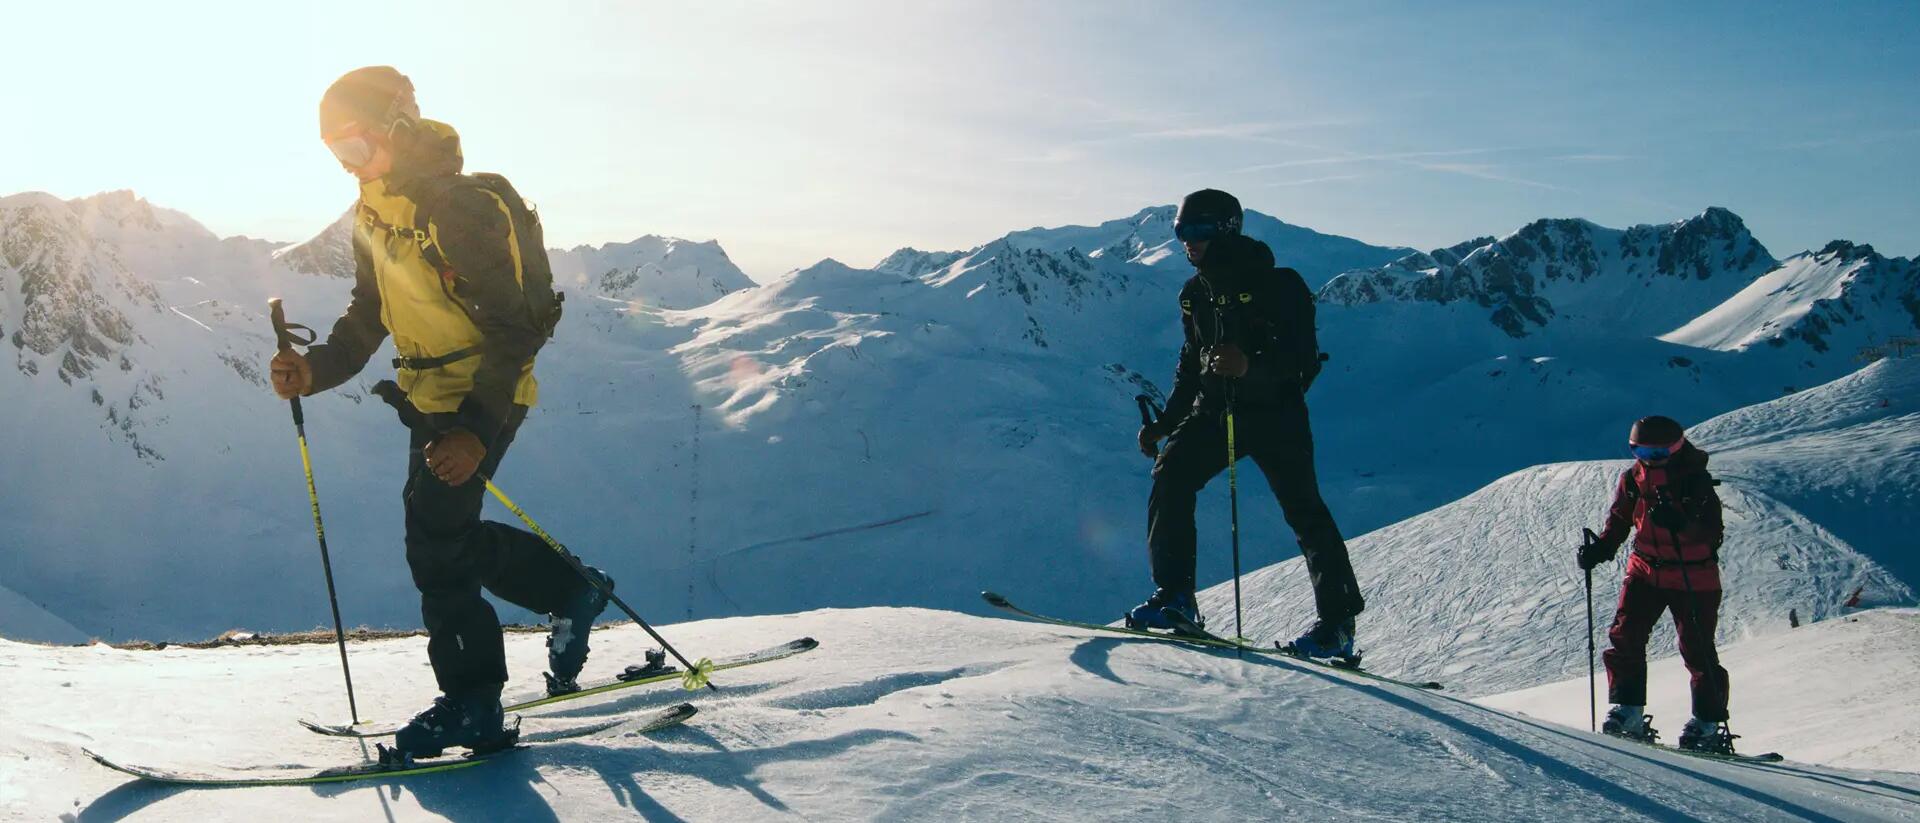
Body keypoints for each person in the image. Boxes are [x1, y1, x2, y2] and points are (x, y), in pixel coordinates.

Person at [269, 66, 610, 759]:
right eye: (336, 152)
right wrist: (316, 369)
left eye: (356, 147)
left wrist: (475, 432)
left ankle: (474, 703)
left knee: (434, 541)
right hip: (433, 396)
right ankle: (571, 591)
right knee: (439, 533)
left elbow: (515, 330)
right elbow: (370, 315)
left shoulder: (457, 211)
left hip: (485, 390)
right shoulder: (375, 210)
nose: (347, 165)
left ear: (397, 126)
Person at [1131, 188, 1365, 659]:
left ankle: (1338, 626)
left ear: (1225, 231)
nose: (1187, 242)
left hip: (1277, 416)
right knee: (1171, 474)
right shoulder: (1195, 294)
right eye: (1181, 232)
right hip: (1217, 414)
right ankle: (1176, 598)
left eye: (1197, 232)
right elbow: (1191, 365)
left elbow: (1303, 362)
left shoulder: (1281, 286)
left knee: (1305, 512)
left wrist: (1249, 368)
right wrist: (1166, 422)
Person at [1578, 415, 1736, 754]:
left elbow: (1710, 533)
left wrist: (1681, 523)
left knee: (1697, 649)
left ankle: (1707, 725)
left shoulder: (1695, 482)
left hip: (1694, 575)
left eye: (1659, 452)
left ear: (1677, 448)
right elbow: (1621, 518)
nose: (1650, 459)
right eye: (1641, 451)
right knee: (1625, 635)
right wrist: (1602, 549)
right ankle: (1628, 710)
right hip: (1645, 571)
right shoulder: (1633, 478)